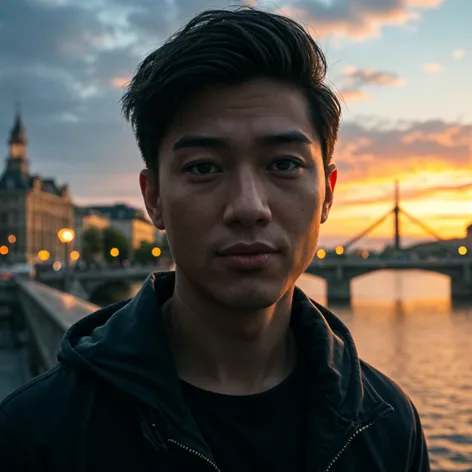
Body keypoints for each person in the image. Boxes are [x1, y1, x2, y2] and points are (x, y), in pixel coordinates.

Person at [0, 7, 430, 471]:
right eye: (204, 167)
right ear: (154, 199)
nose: (248, 207)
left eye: (284, 164)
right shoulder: (33, 436)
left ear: (328, 194)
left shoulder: (390, 426)